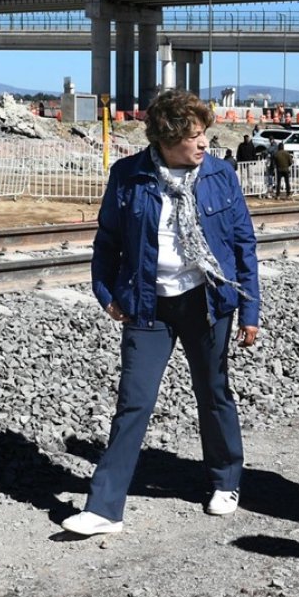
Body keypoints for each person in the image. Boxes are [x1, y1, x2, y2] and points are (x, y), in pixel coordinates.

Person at [62, 89, 260, 536]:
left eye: (205, 134)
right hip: (147, 305)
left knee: (214, 393)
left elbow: (243, 244)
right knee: (133, 402)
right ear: (167, 140)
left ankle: (226, 480)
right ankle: (105, 508)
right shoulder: (128, 175)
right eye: (194, 136)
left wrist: (250, 310)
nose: (204, 143)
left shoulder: (221, 175)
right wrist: (104, 290)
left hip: (207, 302)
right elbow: (107, 241)